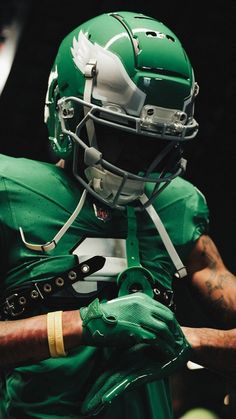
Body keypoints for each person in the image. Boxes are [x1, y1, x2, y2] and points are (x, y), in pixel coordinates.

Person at [0, 9, 236, 419]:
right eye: (119, 136)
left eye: (156, 144)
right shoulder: (11, 189)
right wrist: (82, 325)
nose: (139, 166)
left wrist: (186, 341)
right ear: (67, 113)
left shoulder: (176, 207)